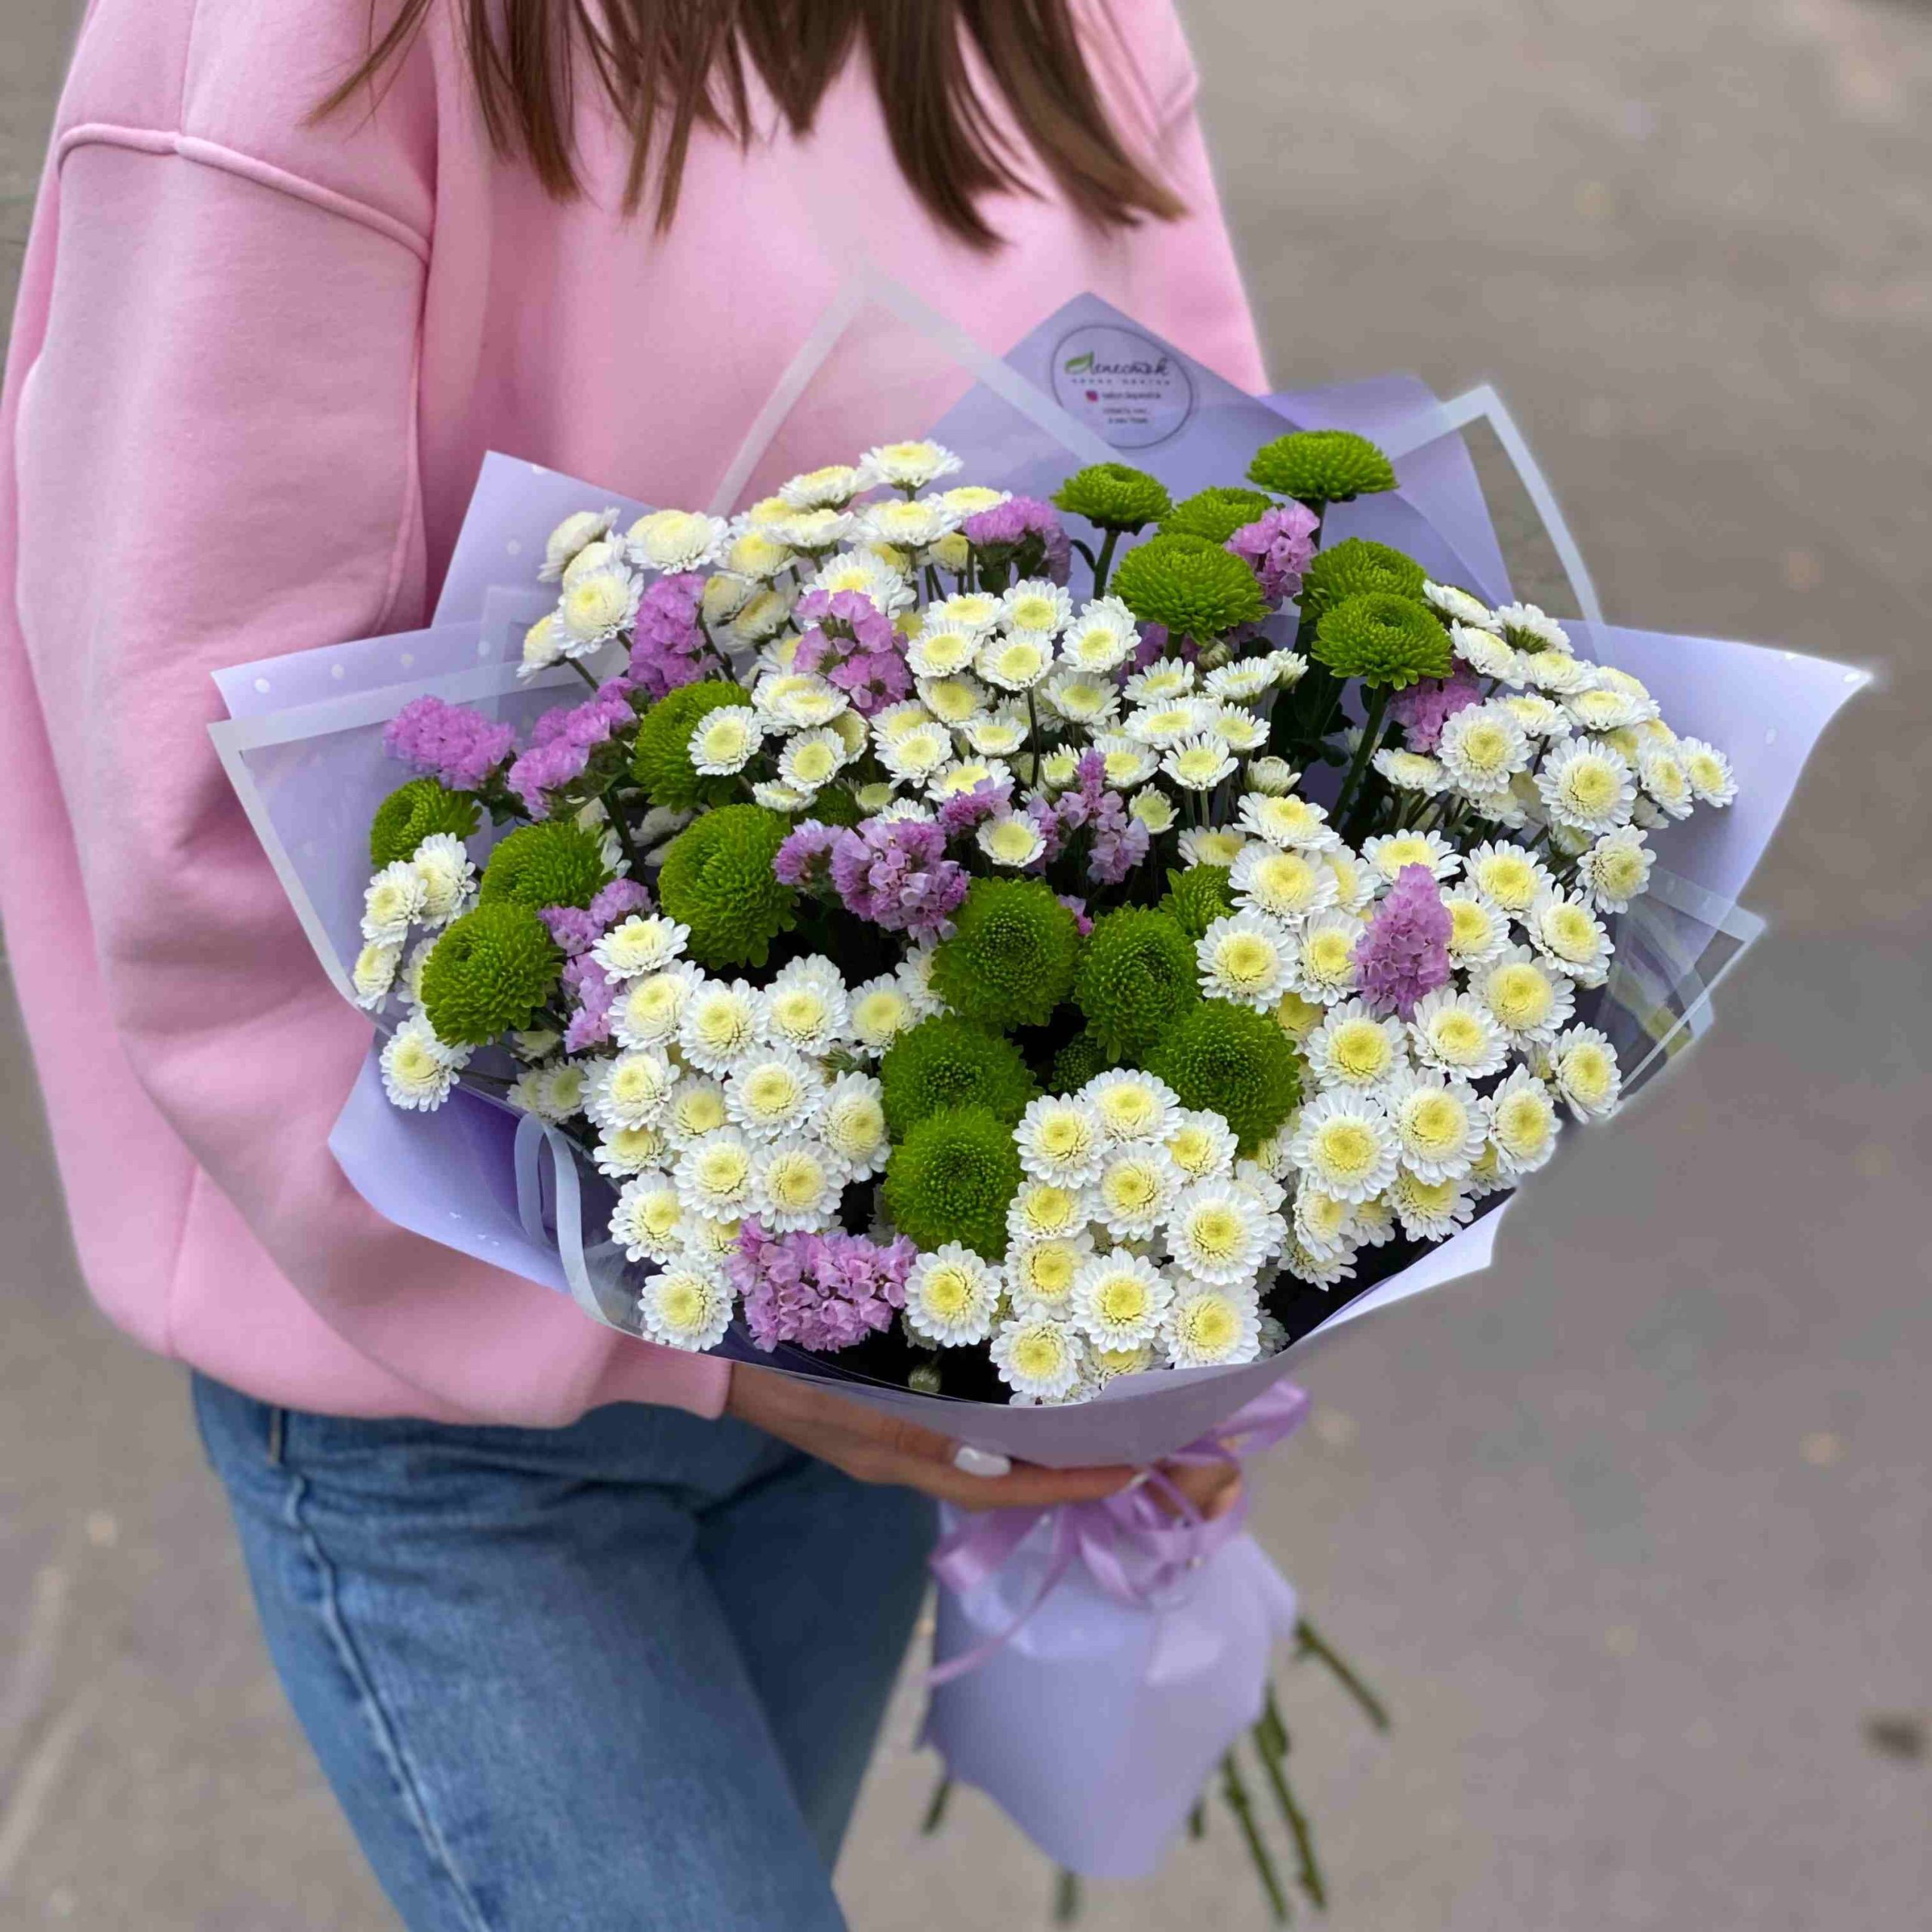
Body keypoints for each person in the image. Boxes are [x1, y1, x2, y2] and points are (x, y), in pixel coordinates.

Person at [0, 2, 1266, 1924]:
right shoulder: (309, 38)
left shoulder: (1061, 25)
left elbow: (1217, 555)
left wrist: (1195, 1234)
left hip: (878, 1326)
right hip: (445, 1392)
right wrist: (651, 1324)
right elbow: (193, 796)